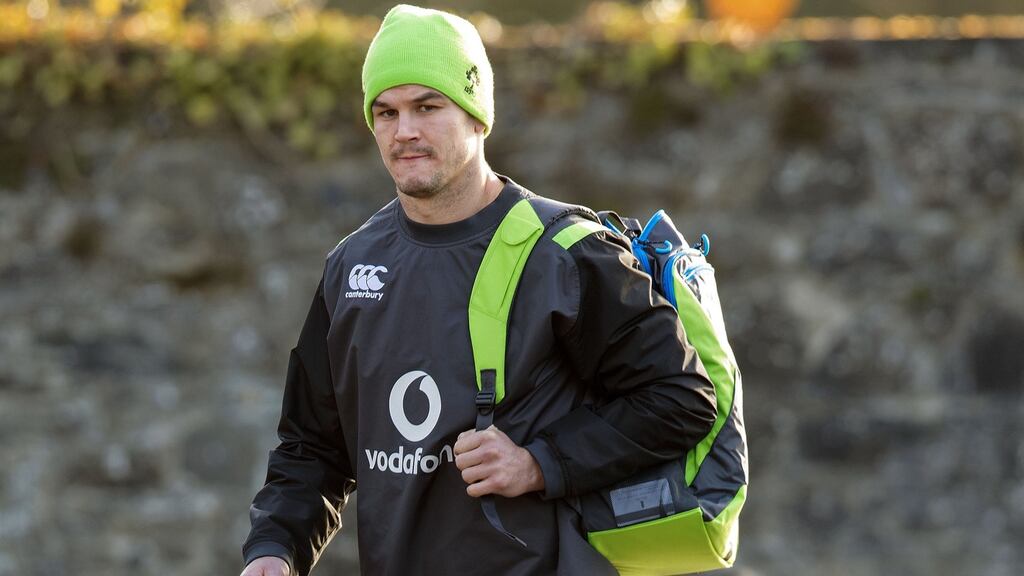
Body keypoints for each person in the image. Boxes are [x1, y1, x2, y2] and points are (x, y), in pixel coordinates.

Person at [240, 5, 717, 575]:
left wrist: (540, 463)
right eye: (386, 112)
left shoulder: (565, 253)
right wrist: (275, 549)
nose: (405, 131)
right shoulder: (352, 265)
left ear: (476, 117)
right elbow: (313, 447)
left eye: (428, 106)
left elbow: (680, 398)